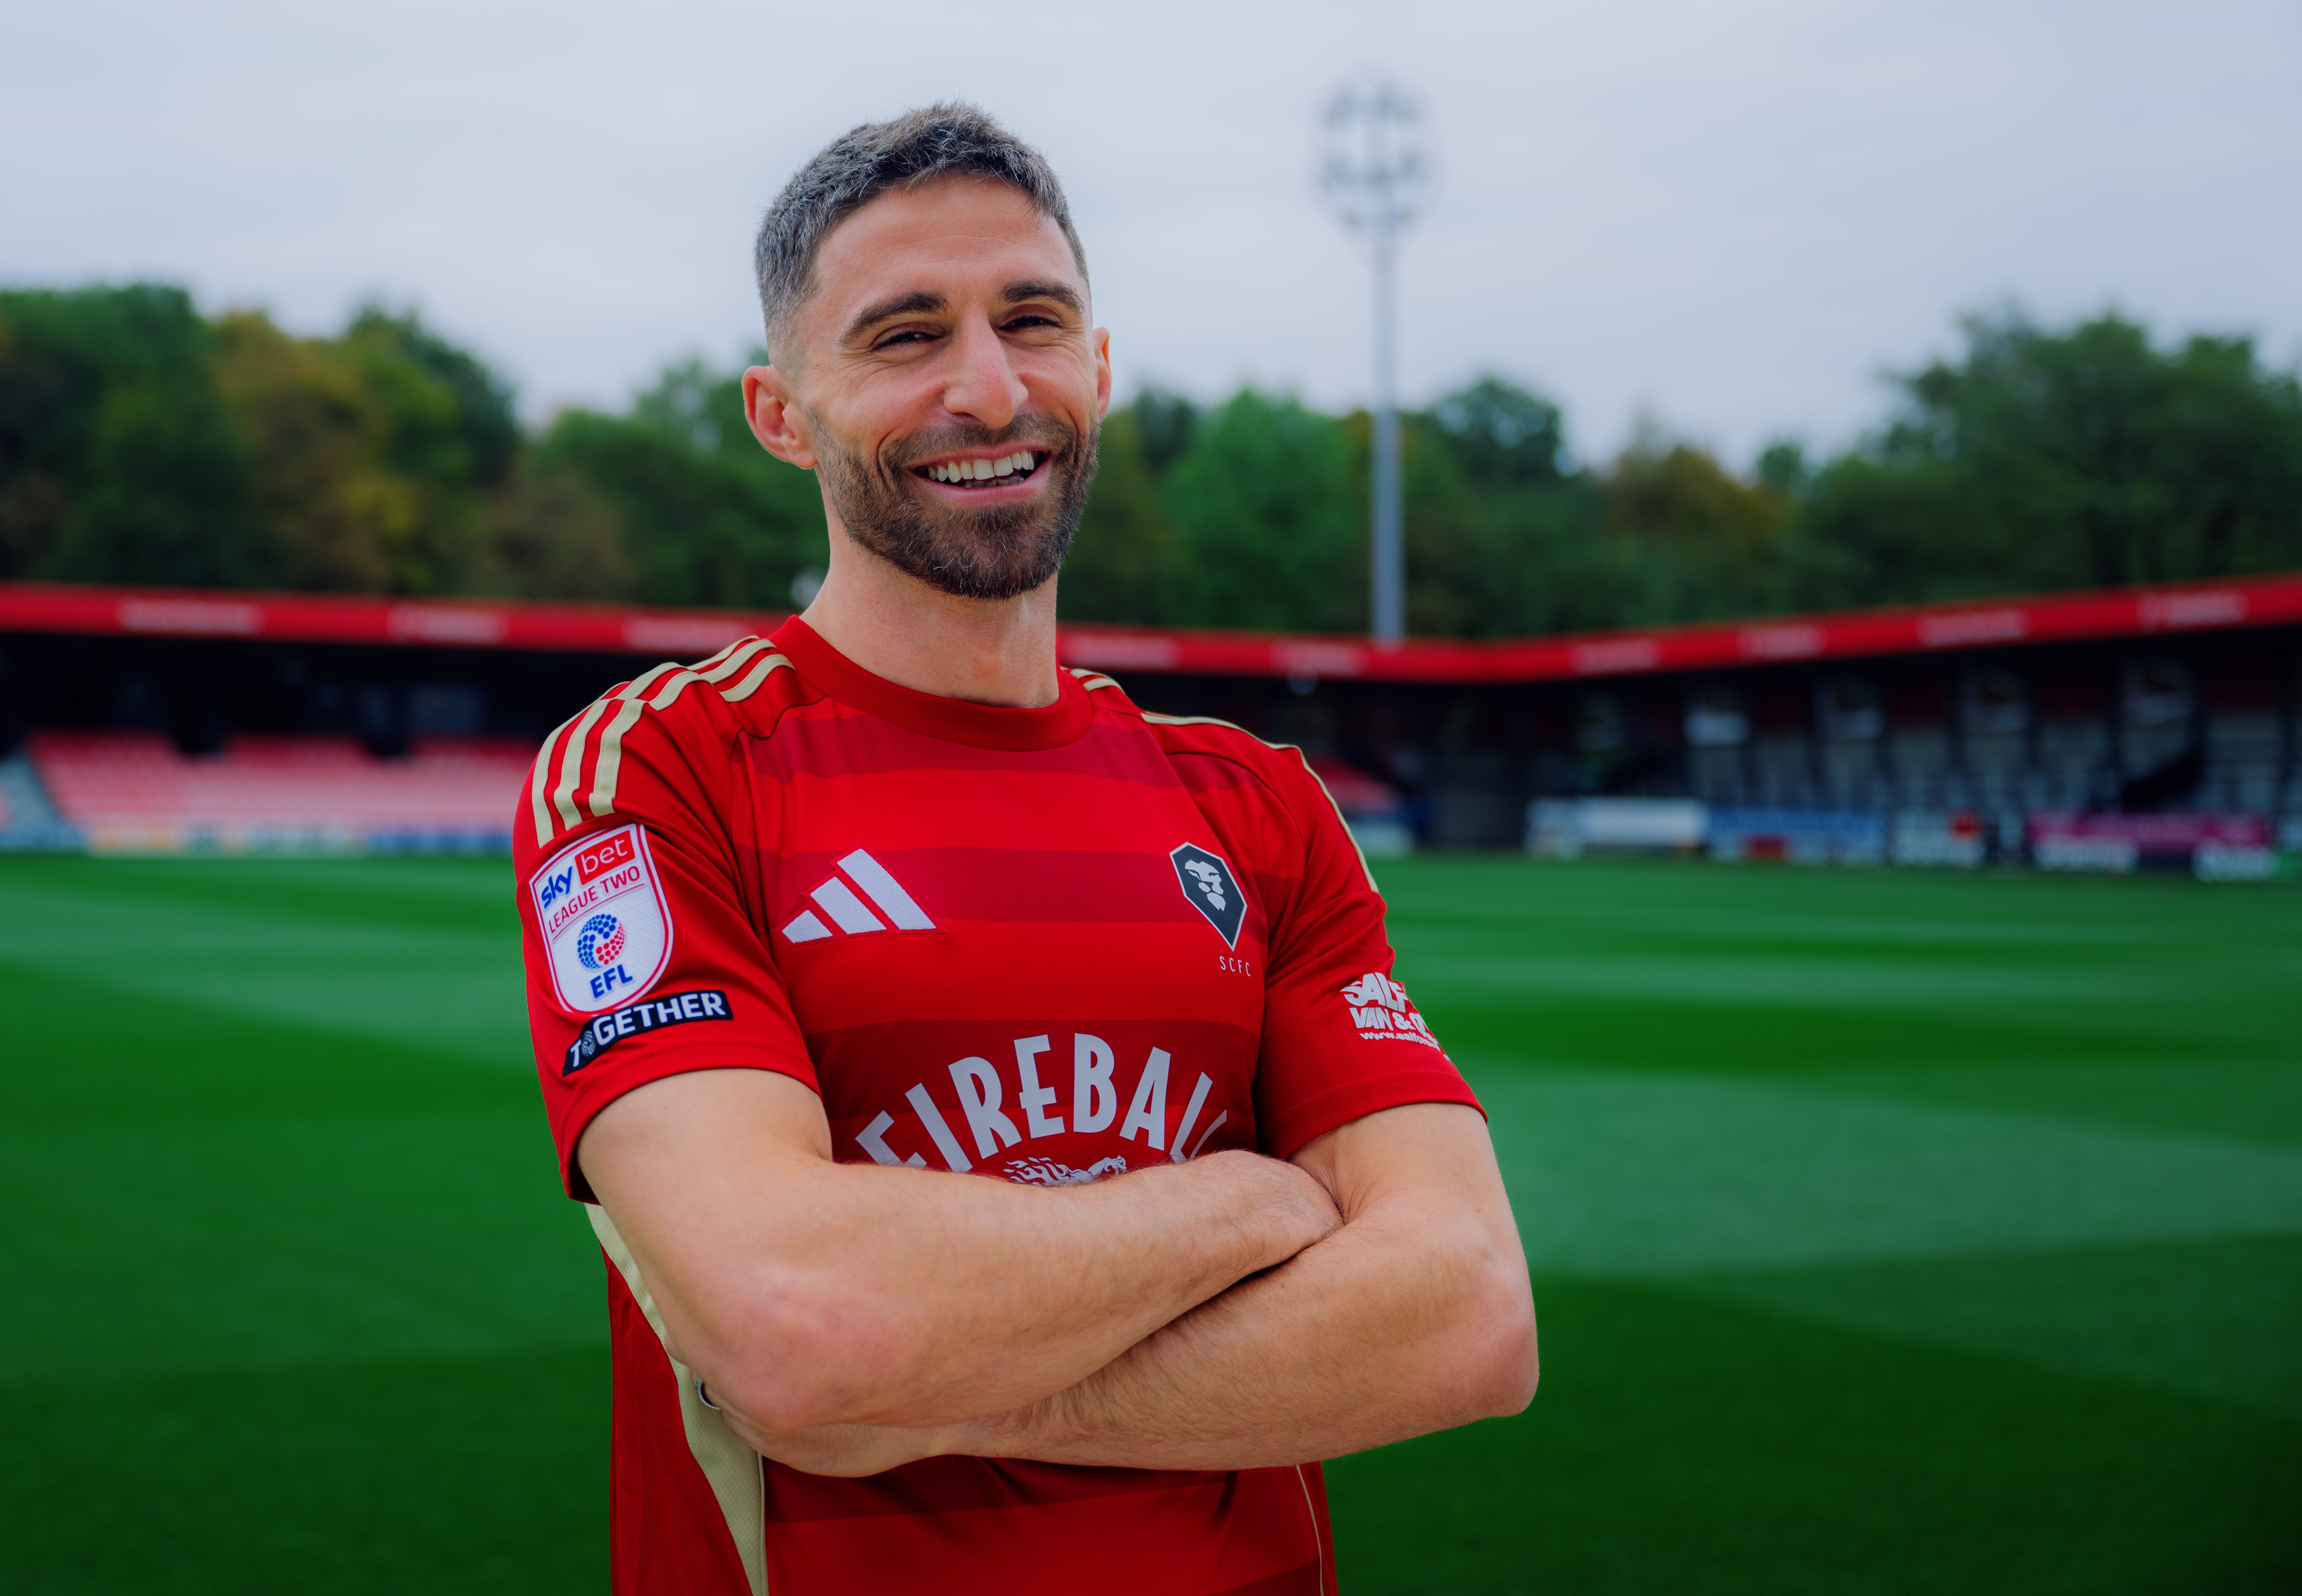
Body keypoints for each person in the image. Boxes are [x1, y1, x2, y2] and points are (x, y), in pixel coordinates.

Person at [513, 104, 1536, 1596]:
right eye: (904, 335)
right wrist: (1247, 1201)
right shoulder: (662, 768)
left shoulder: (1256, 804)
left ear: (1100, 368)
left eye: (1033, 320)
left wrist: (958, 1392)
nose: (987, 389)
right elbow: (796, 1320)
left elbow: (1470, 1317)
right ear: (781, 411)